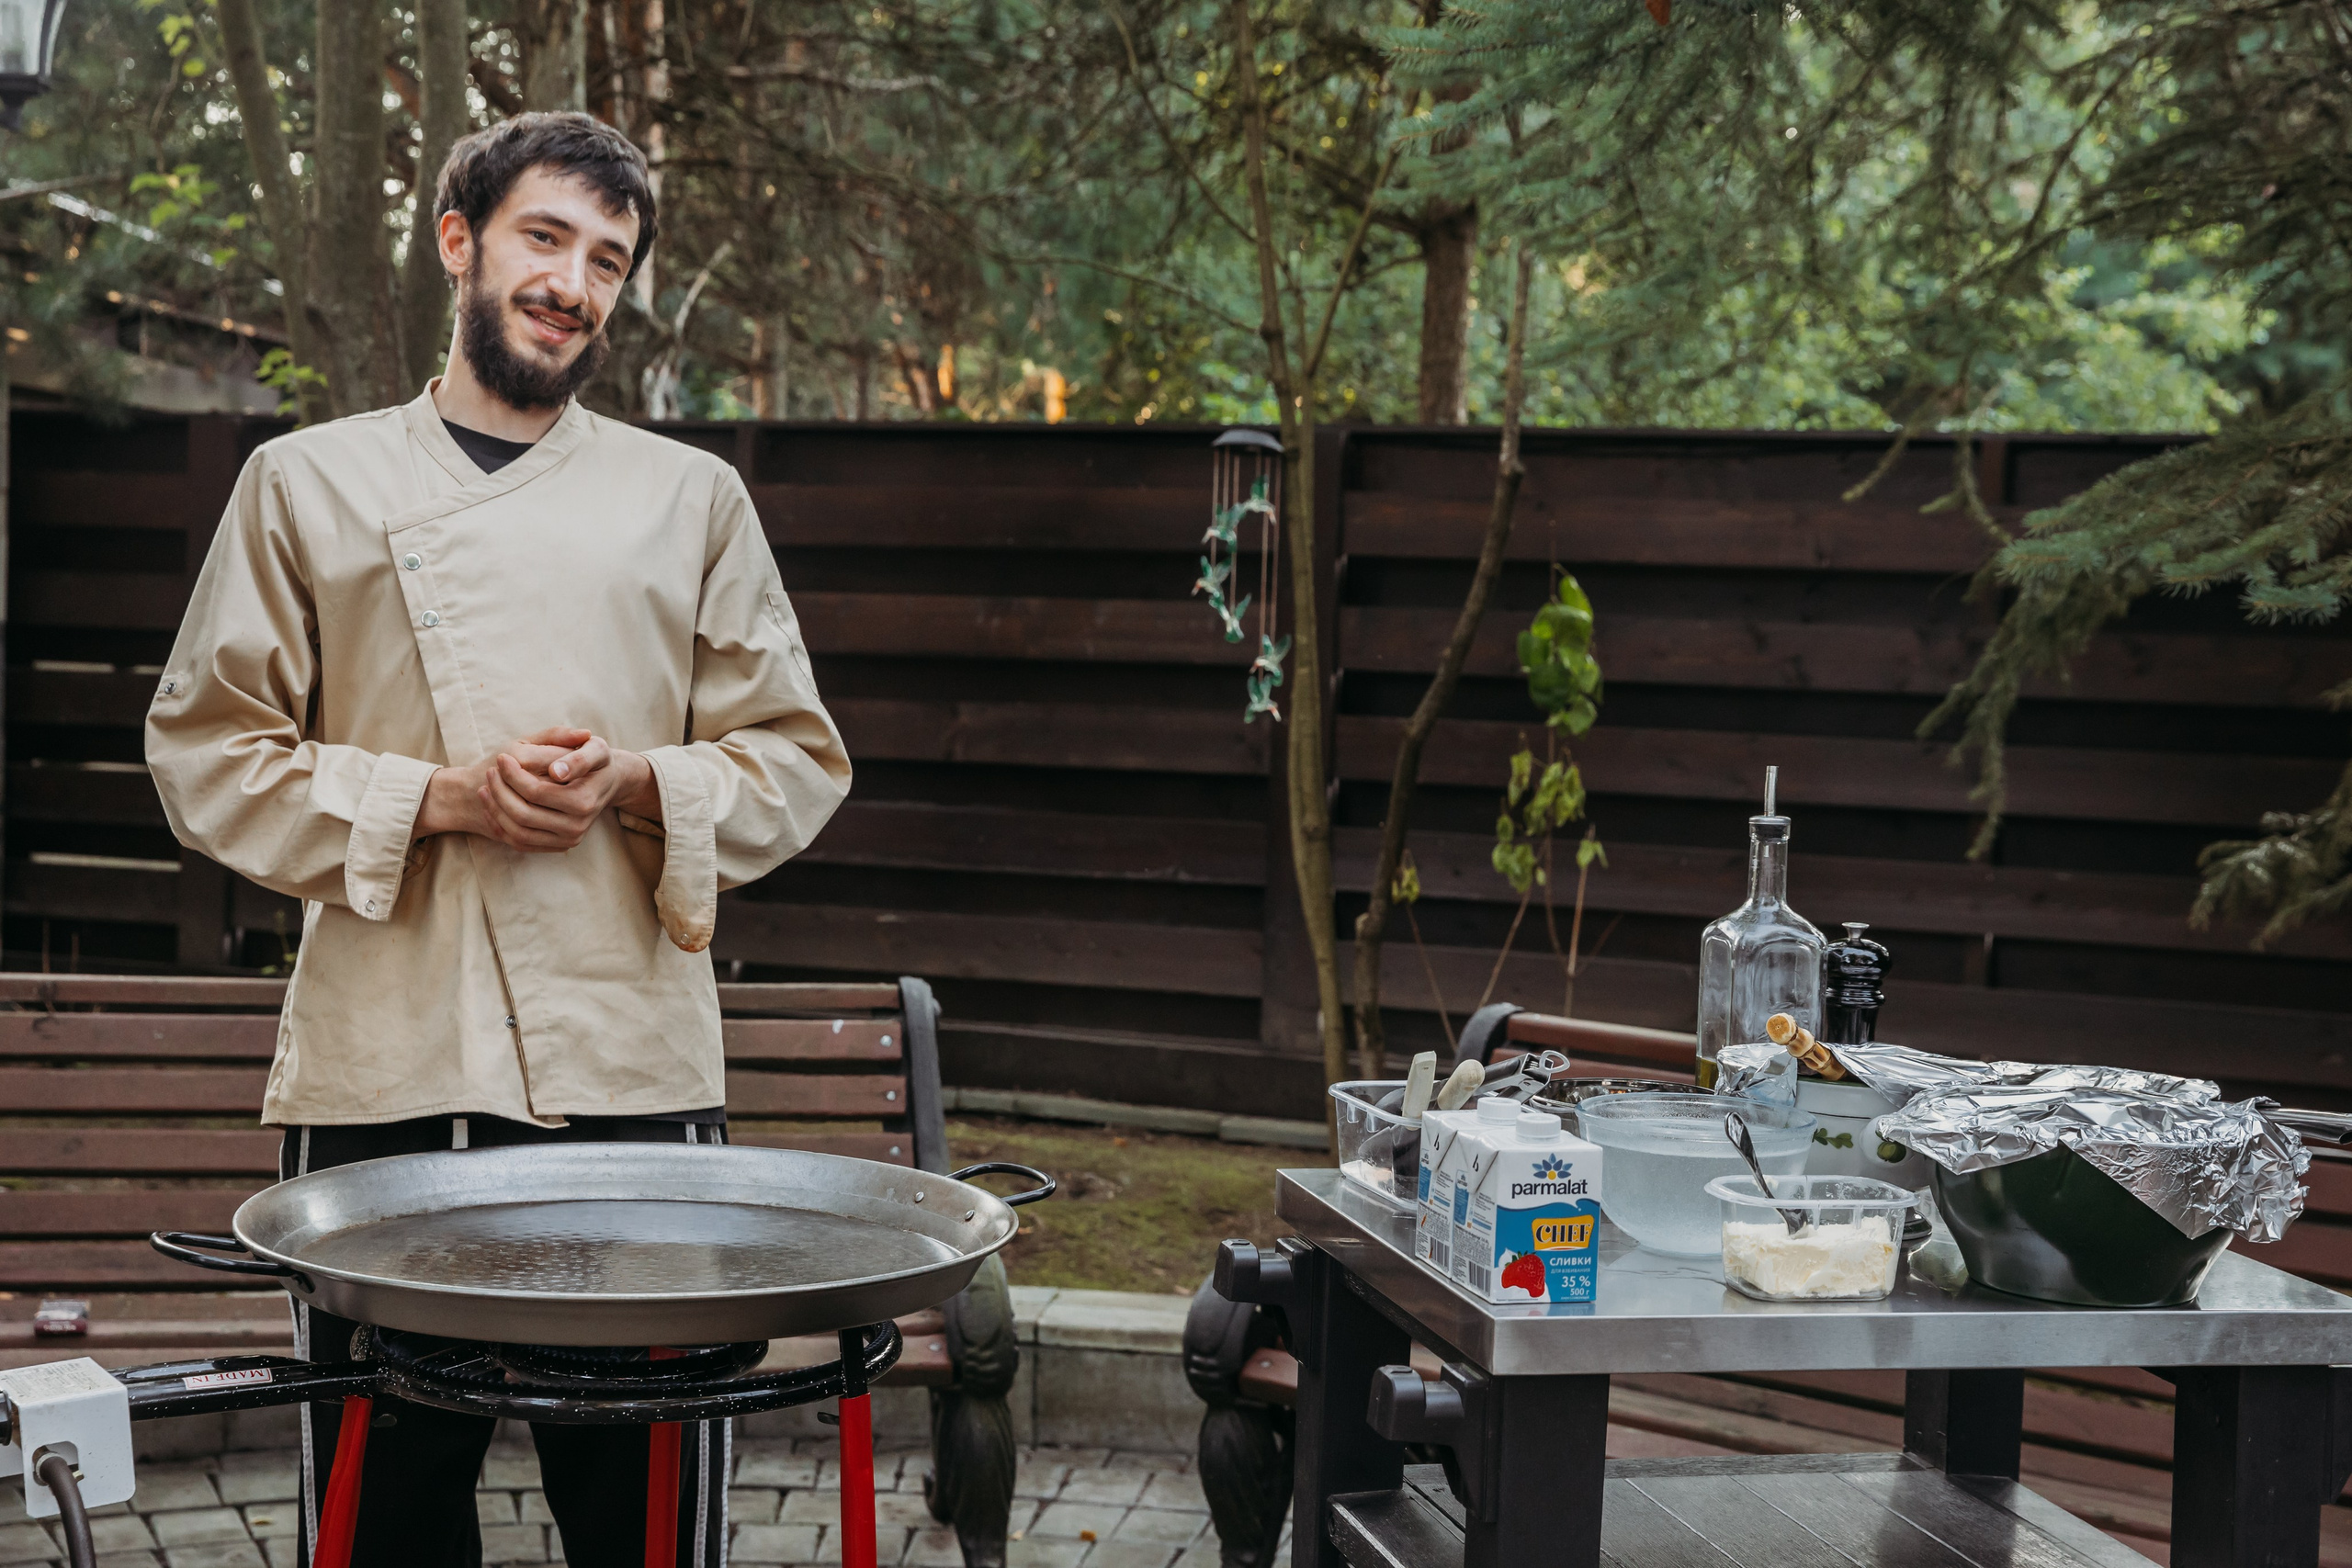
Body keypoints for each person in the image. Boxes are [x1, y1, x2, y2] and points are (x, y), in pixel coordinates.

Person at [145, 110, 851, 1568]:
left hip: (630, 1080)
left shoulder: (690, 499)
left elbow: (796, 760)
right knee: (383, 1515)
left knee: (642, 1517)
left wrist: (641, 781)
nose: (573, 283)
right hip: (386, 1069)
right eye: (545, 237)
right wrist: (443, 799)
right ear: (457, 239)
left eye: (608, 259)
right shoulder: (305, 482)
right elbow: (206, 753)